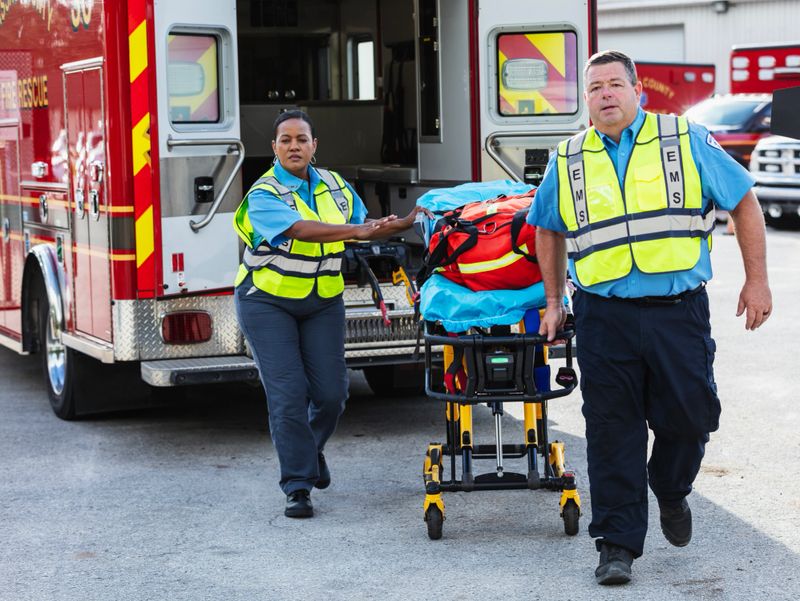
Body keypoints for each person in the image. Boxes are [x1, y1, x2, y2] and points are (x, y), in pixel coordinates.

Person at [529, 51, 772, 585]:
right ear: (586, 99)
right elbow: (546, 227)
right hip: (603, 316)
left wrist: (757, 280)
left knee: (691, 416)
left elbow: (744, 201)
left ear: (638, 90)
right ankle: (616, 544)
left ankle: (670, 487)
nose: (606, 94)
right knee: (611, 430)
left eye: (616, 84)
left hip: (677, 312)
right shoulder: (567, 158)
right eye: (595, 88)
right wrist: (553, 301)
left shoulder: (684, 137)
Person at [233, 110, 422, 518]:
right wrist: (357, 232)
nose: (294, 146)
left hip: (321, 301)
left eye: (302, 139)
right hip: (267, 301)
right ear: (274, 148)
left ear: (314, 146)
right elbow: (301, 229)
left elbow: (364, 224)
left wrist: (406, 222)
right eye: (285, 140)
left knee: (333, 395)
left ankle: (309, 450)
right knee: (288, 396)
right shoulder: (264, 194)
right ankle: (298, 486)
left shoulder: (335, 186)